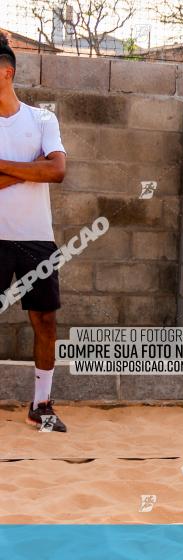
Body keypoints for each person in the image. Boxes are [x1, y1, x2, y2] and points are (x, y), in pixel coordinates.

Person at [0, 33, 69, 432]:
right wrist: (30, 167)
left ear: (6, 73)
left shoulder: (43, 119)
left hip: (36, 239)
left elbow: (57, 171)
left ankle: (41, 404)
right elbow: (43, 169)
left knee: (45, 321)